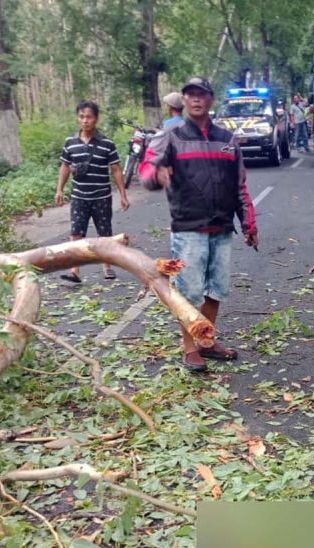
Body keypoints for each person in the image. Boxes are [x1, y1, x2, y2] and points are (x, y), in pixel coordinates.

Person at [138, 76, 258, 372]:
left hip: (221, 227)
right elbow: (146, 168)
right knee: (188, 293)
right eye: (190, 94)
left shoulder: (226, 139)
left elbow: (240, 185)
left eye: (201, 94)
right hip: (188, 228)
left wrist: (249, 224)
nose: (195, 99)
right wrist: (156, 177)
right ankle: (189, 347)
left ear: (210, 100)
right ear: (184, 99)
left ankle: (206, 341)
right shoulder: (172, 136)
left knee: (216, 290)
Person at [55, 100, 130, 283]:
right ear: (77, 118)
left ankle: (107, 266)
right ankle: (75, 270)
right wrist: (59, 190)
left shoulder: (107, 143)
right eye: (81, 116)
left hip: (101, 196)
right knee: (76, 233)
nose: (85, 120)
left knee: (104, 232)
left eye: (89, 117)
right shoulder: (70, 143)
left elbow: (116, 169)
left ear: (96, 119)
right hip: (79, 196)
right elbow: (65, 167)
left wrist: (123, 194)